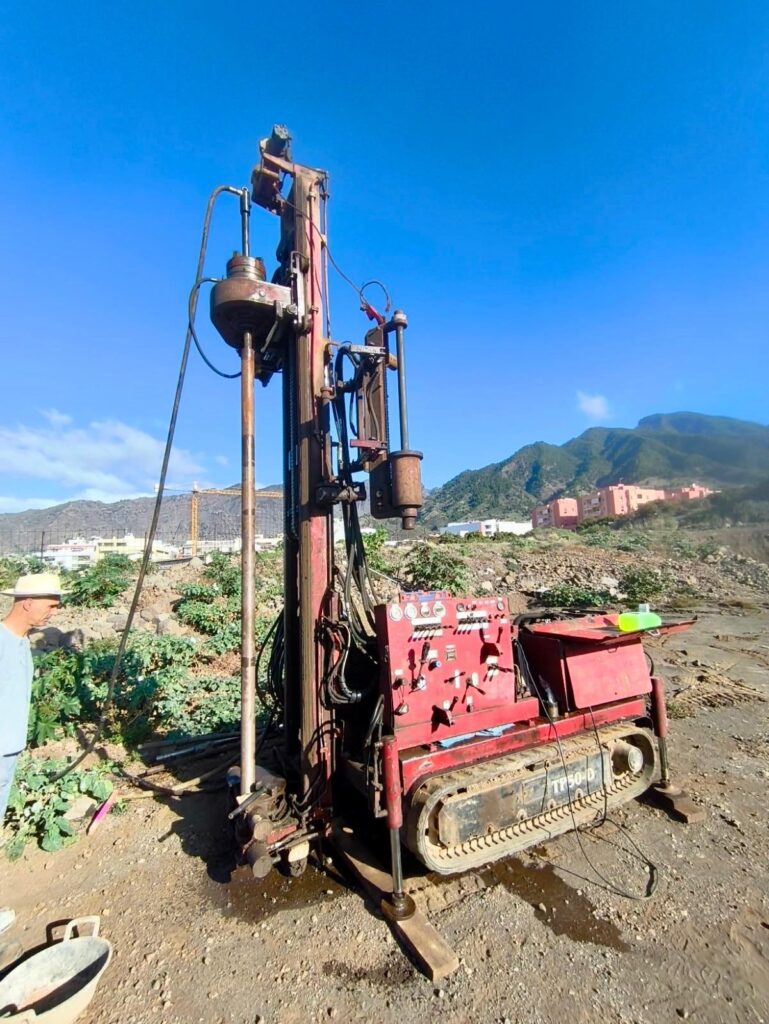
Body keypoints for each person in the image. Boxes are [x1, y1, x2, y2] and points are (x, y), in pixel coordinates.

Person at [0, 572, 65, 821]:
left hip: (9, 747)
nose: (54, 612)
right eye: (51, 605)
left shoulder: (22, 640)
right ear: (27, 603)